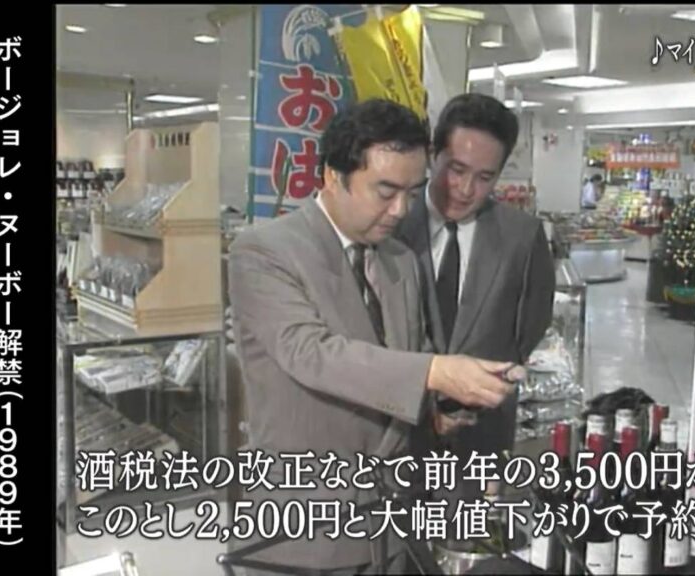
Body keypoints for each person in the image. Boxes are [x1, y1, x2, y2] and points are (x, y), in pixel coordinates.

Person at [227, 99, 515, 575]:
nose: (400, 210)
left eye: (412, 192)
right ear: (333, 176)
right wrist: (434, 372)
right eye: (385, 191)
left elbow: (412, 352)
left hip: (390, 522)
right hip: (305, 525)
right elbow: (311, 352)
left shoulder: (399, 261)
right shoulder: (264, 251)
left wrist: (441, 404)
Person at [396, 93, 555, 498]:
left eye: (485, 177)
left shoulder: (522, 237)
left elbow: (529, 328)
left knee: (469, 530)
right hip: (396, 432)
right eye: (456, 169)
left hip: (479, 438)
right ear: (434, 155)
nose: (466, 189)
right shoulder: (391, 223)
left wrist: (478, 395)